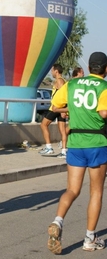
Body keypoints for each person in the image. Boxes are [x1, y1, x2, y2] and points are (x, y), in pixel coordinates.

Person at [46, 52, 107, 254]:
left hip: (75, 142)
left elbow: (55, 106)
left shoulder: (72, 84)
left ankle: (58, 221)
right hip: (97, 142)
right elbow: (104, 112)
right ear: (105, 69)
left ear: (89, 67)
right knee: (96, 191)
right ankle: (89, 239)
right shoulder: (105, 87)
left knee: (72, 190)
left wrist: (71, 110)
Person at [38, 63, 67, 158]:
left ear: (56, 71)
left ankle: (49, 147)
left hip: (55, 108)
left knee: (43, 125)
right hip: (60, 108)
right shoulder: (64, 81)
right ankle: (64, 151)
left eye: (52, 71)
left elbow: (64, 96)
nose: (51, 73)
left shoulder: (59, 81)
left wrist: (62, 110)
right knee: (62, 130)